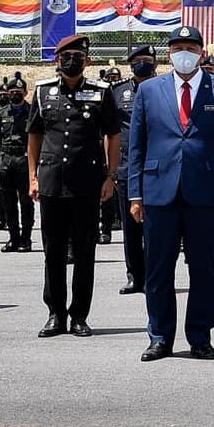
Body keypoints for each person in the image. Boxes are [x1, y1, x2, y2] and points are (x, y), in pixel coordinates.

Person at [126, 24, 214, 362]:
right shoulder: (149, 91)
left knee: (204, 268)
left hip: (205, 194)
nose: (184, 53)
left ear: (201, 51)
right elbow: (137, 147)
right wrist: (136, 195)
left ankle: (200, 336)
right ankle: (160, 336)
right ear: (169, 54)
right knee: (158, 269)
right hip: (159, 192)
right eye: (178, 47)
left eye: (190, 48)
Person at [28, 33, 123, 339]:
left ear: (87, 61)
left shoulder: (101, 92)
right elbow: (35, 137)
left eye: (78, 58)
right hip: (52, 183)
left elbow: (113, 135)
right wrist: (33, 176)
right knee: (53, 252)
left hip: (87, 183)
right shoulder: (42, 93)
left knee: (84, 252)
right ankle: (55, 313)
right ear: (57, 60)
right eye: (65, 57)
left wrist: (110, 175)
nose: (71, 62)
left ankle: (79, 314)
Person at [108, 46, 153, 294]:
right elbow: (110, 132)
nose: (143, 64)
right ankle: (134, 275)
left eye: (148, 60)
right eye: (138, 61)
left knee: (154, 227)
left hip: (156, 167)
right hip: (127, 167)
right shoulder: (118, 92)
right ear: (130, 64)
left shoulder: (164, 88)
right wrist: (111, 169)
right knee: (131, 226)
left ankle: (152, 275)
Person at [0, 76, 34, 252]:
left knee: (26, 202)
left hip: (24, 159)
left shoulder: (32, 111)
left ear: (25, 93)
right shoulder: (1, 113)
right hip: (6, 161)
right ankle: (14, 238)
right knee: (8, 202)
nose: (15, 94)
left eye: (18, 92)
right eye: (12, 91)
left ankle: (26, 239)